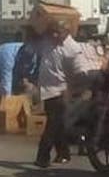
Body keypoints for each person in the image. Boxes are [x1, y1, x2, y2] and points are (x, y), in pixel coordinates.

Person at [35, 20, 83, 168]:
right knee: (58, 124)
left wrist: (70, 91)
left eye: (59, 32)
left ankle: (42, 156)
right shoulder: (48, 41)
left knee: (52, 124)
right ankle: (63, 153)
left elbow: (75, 73)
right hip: (47, 89)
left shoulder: (72, 49)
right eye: (53, 31)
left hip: (60, 90)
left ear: (67, 32)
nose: (55, 35)